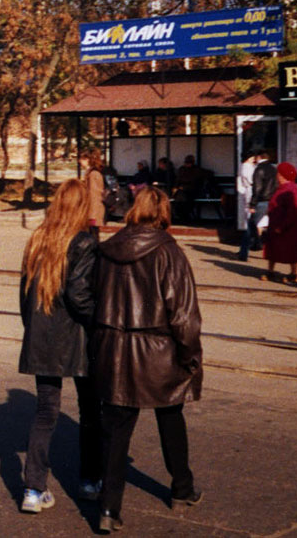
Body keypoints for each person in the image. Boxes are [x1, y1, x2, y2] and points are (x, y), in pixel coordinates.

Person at [92, 186, 203, 533]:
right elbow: (184, 316)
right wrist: (190, 356)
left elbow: (93, 299)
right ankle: (182, 488)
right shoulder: (170, 252)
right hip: (158, 353)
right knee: (171, 417)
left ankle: (109, 509)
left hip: (114, 352)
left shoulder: (107, 250)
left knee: (116, 431)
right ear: (164, 212)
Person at [17, 179, 101, 514]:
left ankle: (33, 490)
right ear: (81, 207)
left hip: (43, 339)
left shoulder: (37, 238)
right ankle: (90, 481)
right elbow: (79, 297)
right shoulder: (84, 242)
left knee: (45, 413)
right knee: (89, 411)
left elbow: (25, 296)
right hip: (77, 338)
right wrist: (99, 322)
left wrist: (32, 330)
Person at [262, 162, 297, 283]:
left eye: (278, 173)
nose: (276, 176)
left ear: (282, 175)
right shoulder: (284, 188)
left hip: (286, 226)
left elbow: (293, 211)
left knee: (289, 250)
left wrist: (282, 226)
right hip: (280, 224)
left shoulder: (290, 190)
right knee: (275, 249)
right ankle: (276, 272)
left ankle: (293, 274)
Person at [239, 150, 276, 261]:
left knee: (251, 226)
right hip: (271, 199)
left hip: (259, 200)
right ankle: (268, 249)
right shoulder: (273, 168)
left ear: (259, 157)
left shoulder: (258, 169)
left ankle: (244, 252)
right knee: (267, 226)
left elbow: (257, 188)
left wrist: (252, 204)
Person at [85, 152, 106, 239]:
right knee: (94, 233)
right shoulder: (96, 173)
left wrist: (92, 214)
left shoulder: (93, 174)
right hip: (96, 207)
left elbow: (93, 194)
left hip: (94, 208)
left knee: (93, 233)